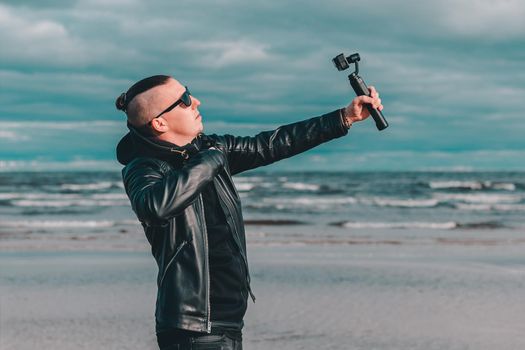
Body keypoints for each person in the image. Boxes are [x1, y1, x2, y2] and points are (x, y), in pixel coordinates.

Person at [115, 75, 383, 350]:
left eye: (189, 93)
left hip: (228, 321)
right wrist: (211, 158)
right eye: (183, 100)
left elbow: (271, 144)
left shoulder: (206, 148)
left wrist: (344, 117)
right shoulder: (145, 167)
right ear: (160, 122)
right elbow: (154, 207)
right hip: (193, 328)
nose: (195, 101)